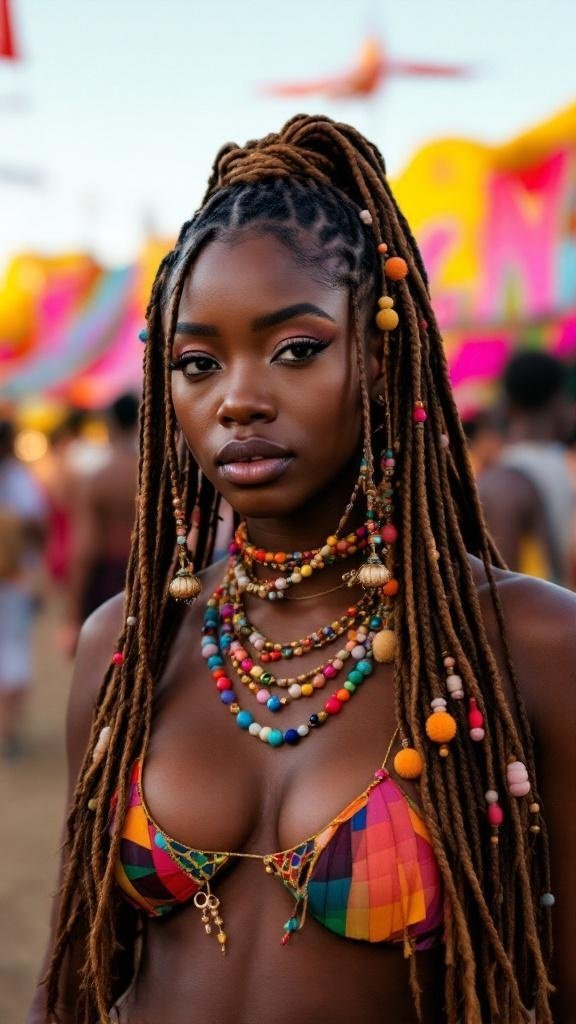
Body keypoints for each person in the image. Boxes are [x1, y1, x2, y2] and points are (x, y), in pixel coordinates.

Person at [28, 115, 575, 1024]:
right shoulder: (125, 648)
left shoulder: (528, 645)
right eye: (198, 362)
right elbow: (72, 976)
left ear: (382, 353)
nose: (239, 397)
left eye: (296, 349)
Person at [478, 350, 575, 587]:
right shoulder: (565, 468)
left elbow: (501, 589)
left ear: (508, 403)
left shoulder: (497, 482)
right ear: (558, 398)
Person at [62, 393, 139, 656]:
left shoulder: (98, 479)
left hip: (109, 580)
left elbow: (85, 547)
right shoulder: (156, 475)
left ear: (109, 423)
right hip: (150, 574)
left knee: (107, 665)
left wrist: (73, 617)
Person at [0, 417, 47, 758]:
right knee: (13, 650)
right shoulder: (19, 478)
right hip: (15, 577)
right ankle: (8, 730)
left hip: (16, 577)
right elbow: (38, 523)